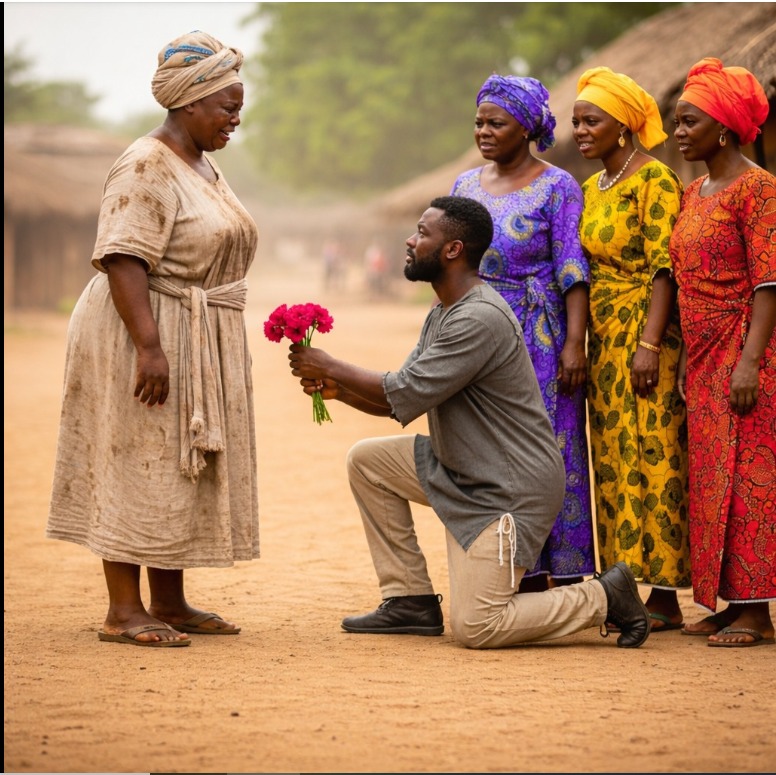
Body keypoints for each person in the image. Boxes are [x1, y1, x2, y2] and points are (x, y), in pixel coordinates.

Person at [287, 195, 651, 649]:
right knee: (368, 462)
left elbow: (399, 388)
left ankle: (603, 595)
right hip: (464, 469)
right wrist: (342, 392)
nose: (409, 239)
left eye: (422, 233)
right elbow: (406, 396)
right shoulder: (443, 311)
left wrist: (330, 364)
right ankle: (409, 600)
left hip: (507, 491)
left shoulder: (478, 317)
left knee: (479, 625)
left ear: (453, 250)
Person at [46, 31, 260, 647]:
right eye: (227, 107)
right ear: (188, 102)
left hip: (189, 328)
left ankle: (168, 599)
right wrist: (149, 346)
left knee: (177, 465)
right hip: (142, 329)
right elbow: (123, 259)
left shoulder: (200, 160)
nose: (235, 118)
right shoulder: (145, 163)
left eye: (238, 106)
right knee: (133, 456)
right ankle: (122, 609)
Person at [451, 74, 594, 593]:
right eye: (479, 122)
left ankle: (570, 573)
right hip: (480, 338)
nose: (484, 131)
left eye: (497, 122)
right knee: (491, 449)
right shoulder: (464, 187)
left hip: (540, 335)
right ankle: (513, 573)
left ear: (528, 127)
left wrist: (573, 345)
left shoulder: (558, 186)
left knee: (551, 449)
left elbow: (572, 270)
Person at [572, 67, 690, 632]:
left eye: (591, 120)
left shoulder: (656, 180)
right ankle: (625, 582)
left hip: (647, 332)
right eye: (576, 121)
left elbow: (666, 265)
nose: (580, 130)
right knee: (615, 455)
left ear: (623, 127)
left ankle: (664, 592)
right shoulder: (595, 187)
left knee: (657, 451)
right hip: (603, 336)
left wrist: (649, 343)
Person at [669, 58, 775, 648]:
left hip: (745, 353)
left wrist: (750, 361)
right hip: (705, 355)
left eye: (690, 122)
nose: (679, 132)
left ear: (726, 129)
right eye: (677, 122)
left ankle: (757, 611)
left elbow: (768, 282)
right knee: (712, 479)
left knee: (752, 478)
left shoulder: (759, 190)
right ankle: (729, 602)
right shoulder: (693, 192)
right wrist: (688, 354)